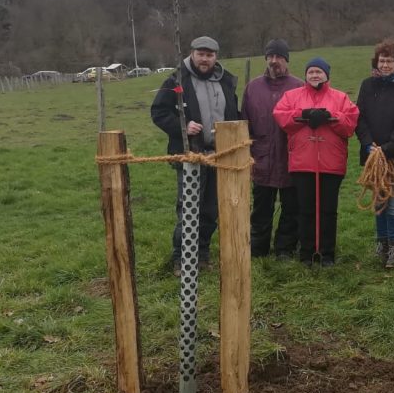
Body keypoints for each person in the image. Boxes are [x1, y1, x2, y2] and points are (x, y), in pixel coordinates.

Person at [151, 35, 239, 274]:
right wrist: (183, 127)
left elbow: (234, 113)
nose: (205, 59)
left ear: (215, 57)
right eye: (200, 54)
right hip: (190, 155)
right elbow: (159, 112)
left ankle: (202, 254)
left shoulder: (227, 81)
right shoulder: (177, 80)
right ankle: (181, 258)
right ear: (192, 54)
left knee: (210, 209)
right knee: (189, 207)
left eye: (209, 55)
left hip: (219, 156)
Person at [273, 57, 359, 266]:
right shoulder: (292, 96)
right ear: (305, 75)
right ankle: (307, 252)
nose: (314, 75)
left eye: (318, 72)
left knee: (328, 210)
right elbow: (280, 116)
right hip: (303, 162)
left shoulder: (340, 97)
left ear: (326, 75)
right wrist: (303, 113)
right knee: (306, 209)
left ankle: (327, 252)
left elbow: (350, 124)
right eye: (311, 72)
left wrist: (332, 116)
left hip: (331, 163)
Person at [356, 39, 394, 268]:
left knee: (393, 200)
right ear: (376, 62)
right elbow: (358, 117)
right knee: (378, 199)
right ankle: (381, 243)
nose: (385, 65)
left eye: (389, 61)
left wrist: (388, 148)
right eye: (382, 61)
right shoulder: (367, 85)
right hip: (372, 154)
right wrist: (367, 143)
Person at [240, 39, 303, 260]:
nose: (274, 61)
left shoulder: (299, 87)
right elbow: (244, 123)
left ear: (286, 60)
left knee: (291, 208)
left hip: (291, 158)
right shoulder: (253, 87)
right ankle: (258, 248)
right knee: (261, 208)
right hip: (261, 157)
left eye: (279, 57)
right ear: (266, 59)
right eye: (270, 56)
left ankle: (285, 248)